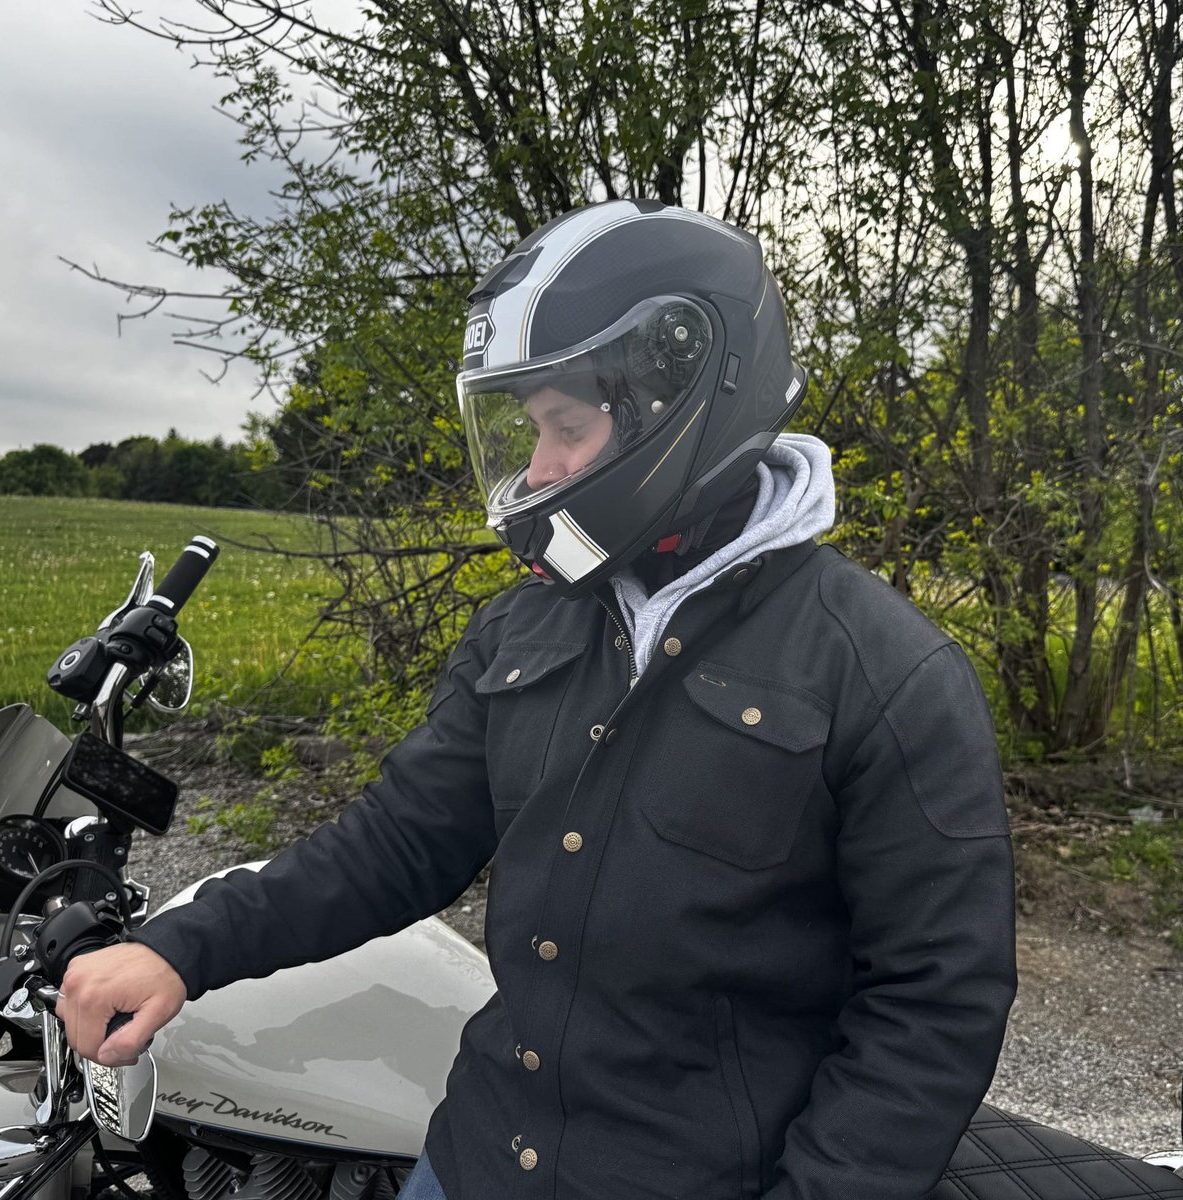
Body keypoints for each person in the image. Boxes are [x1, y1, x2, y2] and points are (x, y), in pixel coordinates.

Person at [58, 200, 1017, 1200]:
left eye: (567, 428)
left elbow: (933, 1004)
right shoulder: (527, 627)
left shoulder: (884, 672)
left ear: (681, 397)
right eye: (533, 431)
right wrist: (183, 948)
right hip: (475, 1156)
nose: (541, 468)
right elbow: (397, 844)